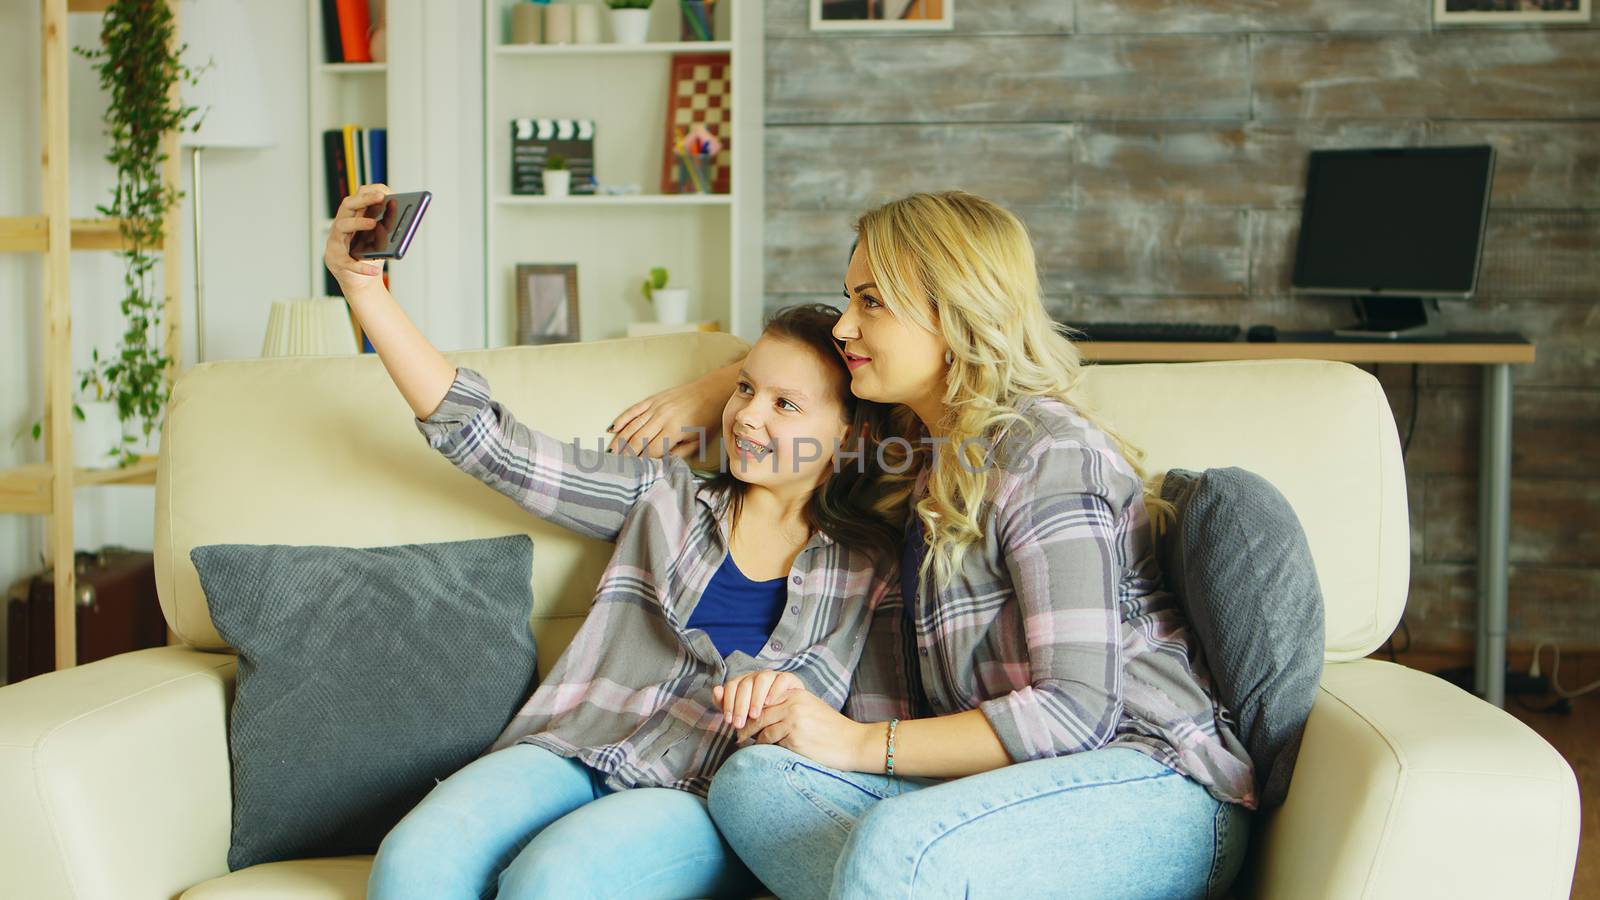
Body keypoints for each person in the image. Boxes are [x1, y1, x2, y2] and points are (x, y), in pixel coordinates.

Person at [610, 190, 1259, 899]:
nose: (846, 327)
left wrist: (856, 743)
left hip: (1144, 780)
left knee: (896, 848)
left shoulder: (1046, 454)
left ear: (952, 312)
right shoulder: (911, 451)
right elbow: (791, 385)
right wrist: (718, 388)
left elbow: (1076, 711)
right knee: (754, 783)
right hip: (993, 791)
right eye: (847, 300)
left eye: (871, 302)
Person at [324, 184, 903, 899]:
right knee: (412, 863)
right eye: (744, 389)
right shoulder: (662, 496)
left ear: (851, 436)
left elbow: (873, 737)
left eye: (785, 404)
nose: (748, 417)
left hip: (703, 796)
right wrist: (365, 289)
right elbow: (492, 446)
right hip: (575, 742)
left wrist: (783, 703)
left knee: (551, 882)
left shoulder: (878, 568)